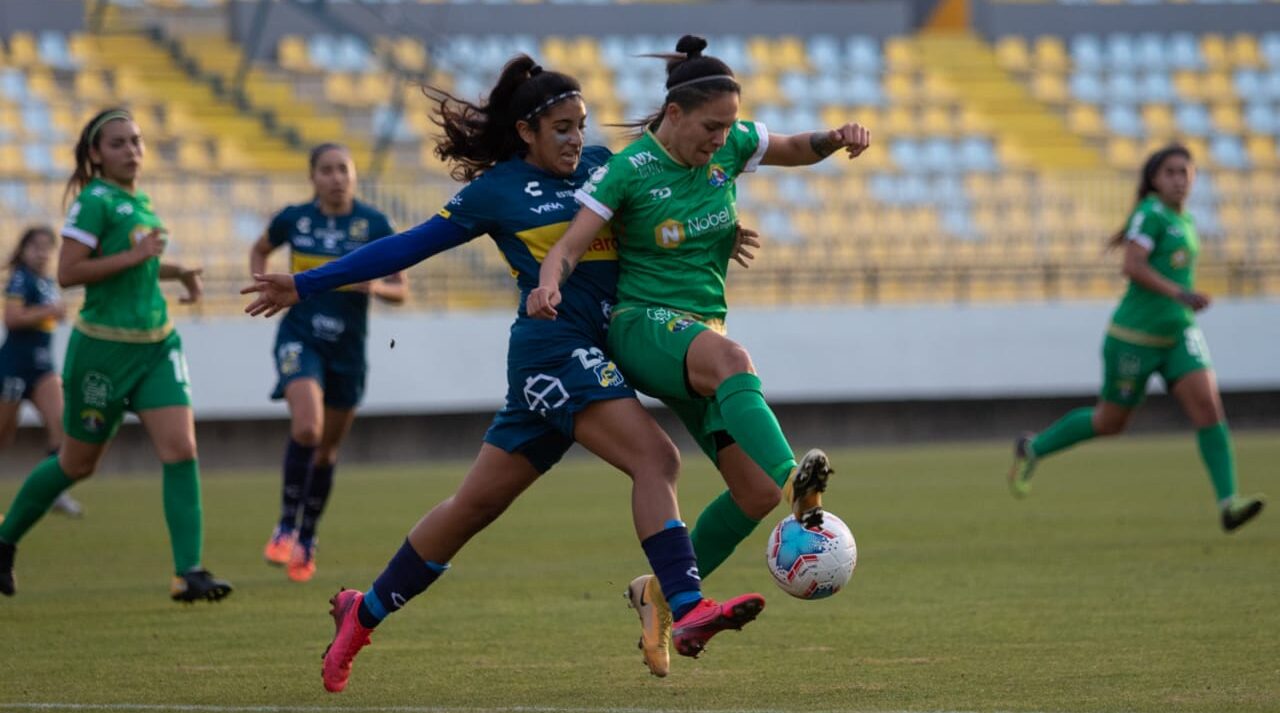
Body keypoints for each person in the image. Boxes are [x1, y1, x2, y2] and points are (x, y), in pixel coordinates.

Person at [243, 56, 765, 690]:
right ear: (527, 132)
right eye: (563, 129)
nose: (578, 140)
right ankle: (686, 609)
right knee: (657, 460)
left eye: (582, 125)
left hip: (595, 354)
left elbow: (661, 204)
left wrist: (717, 234)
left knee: (474, 506)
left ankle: (364, 610)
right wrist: (305, 282)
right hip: (553, 350)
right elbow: (406, 245)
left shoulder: (605, 167)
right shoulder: (497, 191)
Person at [528, 34, 871, 667]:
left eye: (730, 128)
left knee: (750, 495)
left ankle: (660, 599)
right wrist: (548, 283)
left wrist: (835, 137)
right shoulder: (629, 169)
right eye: (711, 127)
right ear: (675, 115)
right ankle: (799, 483)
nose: (721, 139)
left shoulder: (732, 145)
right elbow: (571, 245)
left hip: (698, 331)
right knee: (735, 363)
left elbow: (794, 147)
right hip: (644, 328)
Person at [0, 108, 231, 602]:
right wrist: (138, 256)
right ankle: (4, 541)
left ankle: (187, 572)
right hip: (102, 351)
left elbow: (137, 266)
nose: (132, 150)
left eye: (137, 141)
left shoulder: (138, 200)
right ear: (96, 154)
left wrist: (176, 271)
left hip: (156, 345)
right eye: (119, 143)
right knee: (77, 463)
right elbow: (68, 273)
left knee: (182, 449)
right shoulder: (93, 202)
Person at [1006, 144, 1264, 532]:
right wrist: (1179, 294)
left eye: (1185, 172)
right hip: (1134, 338)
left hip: (1178, 334)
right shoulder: (1150, 215)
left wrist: (1183, 302)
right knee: (1110, 422)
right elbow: (1132, 265)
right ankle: (1034, 448)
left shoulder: (1187, 220)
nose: (1179, 179)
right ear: (1154, 180)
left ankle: (1229, 503)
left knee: (1209, 410)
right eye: (1171, 172)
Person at [250, 143, 406, 583]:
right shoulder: (294, 219)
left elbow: (401, 289)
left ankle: (307, 537)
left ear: (354, 176)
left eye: (343, 169)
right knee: (307, 428)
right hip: (301, 337)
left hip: (348, 351)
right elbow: (260, 249)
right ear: (313, 178)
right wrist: (261, 284)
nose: (336, 177)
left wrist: (374, 289)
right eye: (327, 170)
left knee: (328, 451)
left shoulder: (375, 223)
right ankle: (284, 526)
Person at [0, 226, 82, 518]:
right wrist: (48, 312)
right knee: (3, 436)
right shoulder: (20, 280)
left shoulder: (47, 281)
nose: (42, 252)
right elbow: (11, 319)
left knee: (61, 425)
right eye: (36, 246)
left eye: (48, 247)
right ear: (23, 250)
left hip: (42, 366)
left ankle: (54, 492)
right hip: (13, 367)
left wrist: (53, 314)